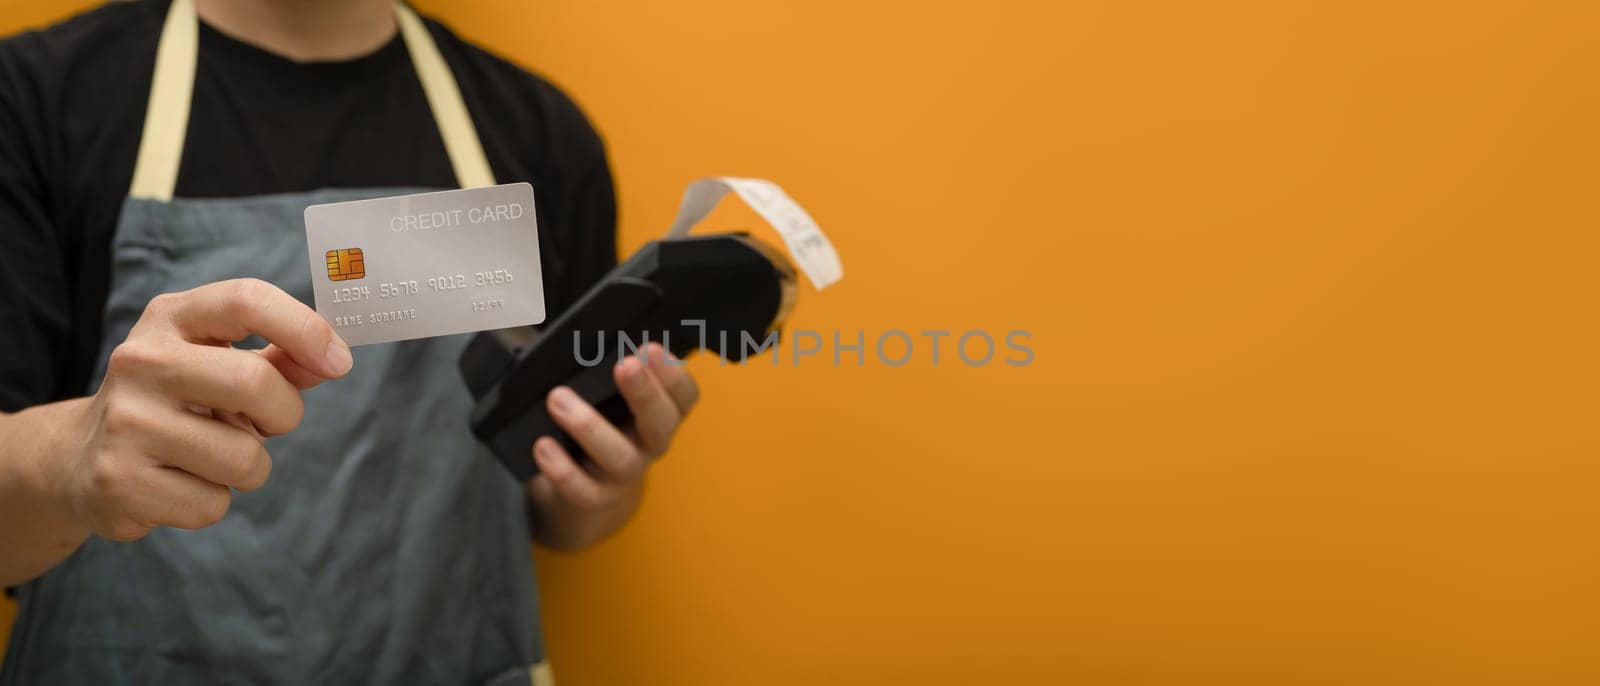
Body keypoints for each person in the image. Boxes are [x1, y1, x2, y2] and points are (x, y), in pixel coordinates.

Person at [0, 0, 698, 682]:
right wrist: (71, 460)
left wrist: (599, 484)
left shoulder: (541, 137)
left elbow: (561, 512)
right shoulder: (37, 100)